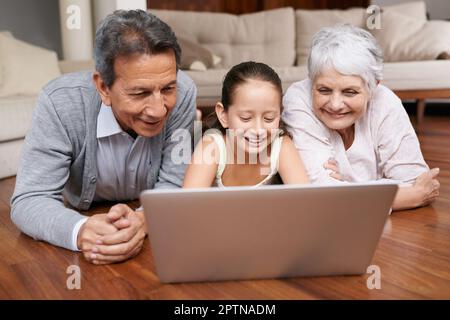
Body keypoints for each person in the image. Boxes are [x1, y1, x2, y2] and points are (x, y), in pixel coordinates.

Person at [10, 10, 197, 264]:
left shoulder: (184, 93)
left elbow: (176, 182)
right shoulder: (60, 102)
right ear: (103, 87)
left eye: (167, 89)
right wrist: (82, 230)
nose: (158, 109)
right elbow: (30, 199)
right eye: (140, 93)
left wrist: (144, 220)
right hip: (84, 213)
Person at [282, 24, 440, 211]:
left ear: (373, 87)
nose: (335, 104)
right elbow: (320, 196)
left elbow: (412, 179)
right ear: (311, 82)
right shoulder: (299, 98)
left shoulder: (385, 101)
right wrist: (408, 197)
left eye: (350, 92)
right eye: (324, 90)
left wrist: (344, 191)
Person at [183, 61, 309, 188]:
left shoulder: (281, 145)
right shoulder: (212, 146)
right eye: (246, 118)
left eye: (269, 119)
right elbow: (188, 205)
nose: (258, 130)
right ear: (223, 115)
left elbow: (306, 200)